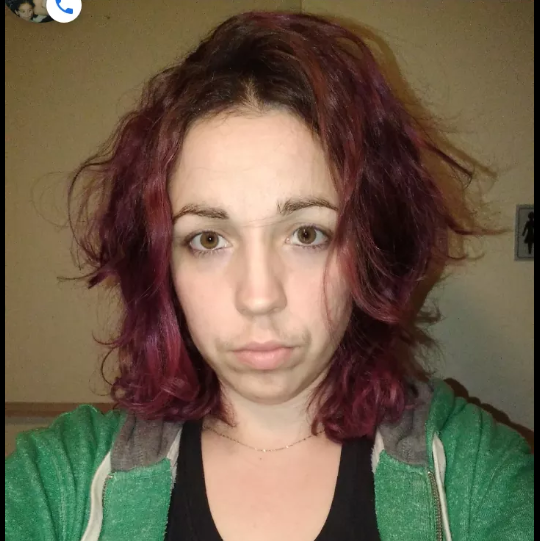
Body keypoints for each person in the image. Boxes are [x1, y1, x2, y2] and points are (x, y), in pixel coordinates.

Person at [5, 10, 534, 541]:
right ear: (161, 266)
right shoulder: (60, 480)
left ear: (372, 250)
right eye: (208, 240)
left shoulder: (474, 474)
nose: (259, 297)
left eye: (307, 234)